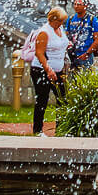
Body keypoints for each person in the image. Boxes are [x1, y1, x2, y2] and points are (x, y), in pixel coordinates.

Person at [31, 7, 70, 136]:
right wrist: (48, 70)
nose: (61, 24)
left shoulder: (59, 28)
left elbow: (60, 42)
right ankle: (38, 130)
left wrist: (67, 44)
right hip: (42, 70)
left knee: (63, 99)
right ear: (53, 19)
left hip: (57, 70)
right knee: (42, 99)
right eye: (59, 21)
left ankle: (61, 128)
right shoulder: (44, 32)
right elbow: (39, 53)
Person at [64, 0, 98, 73]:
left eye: (79, 4)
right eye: (75, 4)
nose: (76, 6)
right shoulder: (70, 19)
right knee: (71, 81)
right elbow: (66, 36)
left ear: (86, 6)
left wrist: (87, 53)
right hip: (72, 55)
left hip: (85, 56)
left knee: (85, 79)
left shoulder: (92, 19)